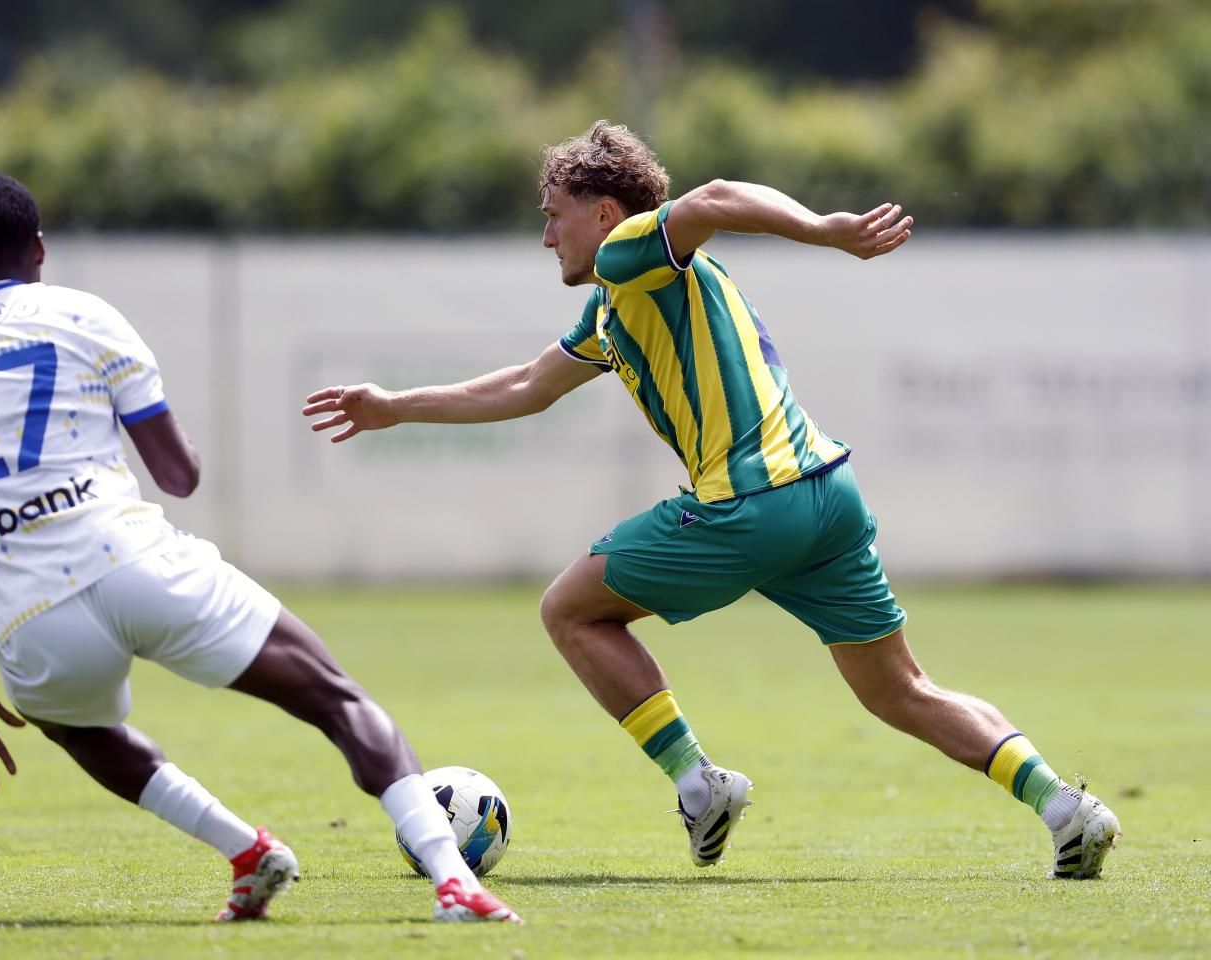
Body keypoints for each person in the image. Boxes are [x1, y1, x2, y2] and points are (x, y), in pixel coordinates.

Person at [304, 120, 1120, 880]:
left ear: (605, 211)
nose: (546, 234)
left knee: (570, 611)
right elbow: (526, 384)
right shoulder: (615, 305)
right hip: (827, 495)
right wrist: (393, 406)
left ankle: (698, 783)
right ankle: (1065, 808)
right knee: (900, 690)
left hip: (748, 503)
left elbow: (718, 196)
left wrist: (828, 230)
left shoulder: (629, 252)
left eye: (555, 215)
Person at [0, 173, 519, 924]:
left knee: (76, 727)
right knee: (337, 700)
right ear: (40, 249)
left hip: (28, 616)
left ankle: (247, 852)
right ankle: (454, 881)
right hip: (135, 562)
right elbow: (179, 475)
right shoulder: (84, 315)